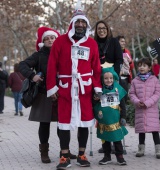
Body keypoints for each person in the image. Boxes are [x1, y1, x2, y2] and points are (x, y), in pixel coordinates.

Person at [46, 9, 102, 169]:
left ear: (87, 25)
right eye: (77, 22)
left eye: (83, 22)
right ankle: (64, 156)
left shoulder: (92, 43)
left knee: (84, 122)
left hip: (85, 89)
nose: (80, 25)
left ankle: (82, 154)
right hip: (65, 89)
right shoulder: (60, 41)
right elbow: (51, 66)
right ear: (72, 23)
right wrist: (52, 87)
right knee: (63, 122)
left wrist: (97, 88)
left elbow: (96, 67)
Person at [19, 27, 76, 164]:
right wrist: (32, 76)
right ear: (43, 41)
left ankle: (65, 150)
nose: (50, 40)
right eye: (47, 38)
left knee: (62, 124)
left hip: (62, 93)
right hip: (44, 94)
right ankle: (44, 152)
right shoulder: (39, 55)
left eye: (53, 38)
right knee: (44, 125)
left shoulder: (63, 52)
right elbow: (23, 65)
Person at [94, 20, 126, 154]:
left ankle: (117, 143)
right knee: (104, 111)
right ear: (96, 31)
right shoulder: (93, 43)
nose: (101, 30)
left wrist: (114, 74)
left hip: (112, 77)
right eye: (99, 28)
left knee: (116, 108)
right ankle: (105, 143)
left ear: (107, 29)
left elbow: (119, 59)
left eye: (104, 28)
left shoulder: (114, 42)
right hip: (99, 79)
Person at [129, 57, 160, 159]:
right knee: (141, 131)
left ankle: (158, 150)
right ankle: (141, 149)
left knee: (155, 130)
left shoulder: (154, 80)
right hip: (140, 109)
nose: (141, 68)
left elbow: (157, 93)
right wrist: (137, 101)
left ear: (149, 68)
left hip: (151, 110)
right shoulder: (135, 81)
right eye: (140, 66)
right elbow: (131, 93)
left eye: (144, 66)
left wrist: (147, 103)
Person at [93, 67, 128, 165]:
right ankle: (107, 156)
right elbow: (94, 104)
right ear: (102, 79)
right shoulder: (99, 91)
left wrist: (123, 117)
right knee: (105, 139)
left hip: (115, 120)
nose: (109, 80)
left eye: (111, 78)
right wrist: (96, 111)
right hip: (103, 120)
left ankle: (120, 156)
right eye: (106, 78)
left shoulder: (118, 89)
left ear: (114, 78)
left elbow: (123, 105)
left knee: (117, 138)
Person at [117, 35, 134, 102]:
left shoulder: (127, 52)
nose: (124, 43)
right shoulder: (114, 51)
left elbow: (132, 67)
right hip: (116, 78)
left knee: (124, 98)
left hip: (125, 78)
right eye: (122, 41)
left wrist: (130, 62)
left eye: (124, 41)